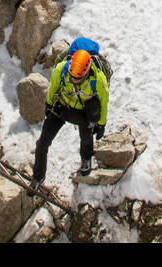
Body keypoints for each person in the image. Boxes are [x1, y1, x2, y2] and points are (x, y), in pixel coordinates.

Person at [32, 41, 109, 185]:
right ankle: (38, 176)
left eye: (78, 78)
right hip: (63, 107)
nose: (74, 80)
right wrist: (49, 105)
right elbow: (53, 88)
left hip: (83, 113)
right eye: (72, 76)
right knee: (42, 143)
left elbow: (103, 104)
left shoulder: (99, 81)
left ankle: (86, 159)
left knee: (86, 138)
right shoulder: (61, 69)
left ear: (86, 72)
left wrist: (101, 124)